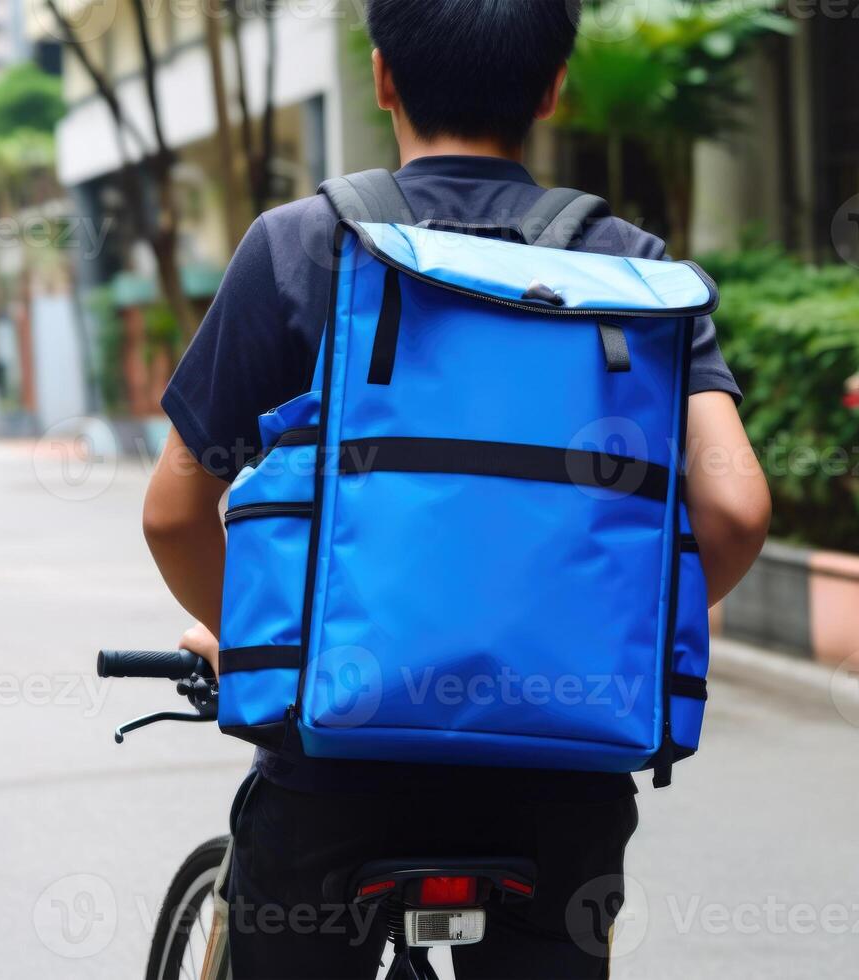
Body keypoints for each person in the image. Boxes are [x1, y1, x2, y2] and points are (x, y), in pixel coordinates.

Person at [142, 1, 770, 974]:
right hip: (560, 775)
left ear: (384, 77)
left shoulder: (300, 246)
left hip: (337, 768)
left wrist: (256, 638)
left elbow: (175, 510)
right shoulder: (631, 271)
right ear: (554, 87)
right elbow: (733, 509)